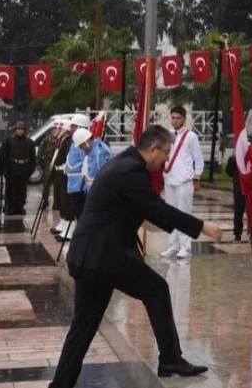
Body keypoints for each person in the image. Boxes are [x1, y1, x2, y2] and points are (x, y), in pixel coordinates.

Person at [47, 125, 224, 387]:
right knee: (157, 289)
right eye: (165, 152)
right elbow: (157, 209)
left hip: (89, 256)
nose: (166, 159)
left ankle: (60, 385)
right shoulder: (130, 170)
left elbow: (140, 209)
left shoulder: (126, 162)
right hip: (104, 256)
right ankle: (171, 360)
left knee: (83, 326)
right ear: (152, 149)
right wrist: (202, 227)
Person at [158, 106, 203, 259]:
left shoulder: (191, 136)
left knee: (184, 213)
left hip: (184, 179)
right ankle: (173, 245)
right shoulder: (167, 135)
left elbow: (198, 158)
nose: (175, 121)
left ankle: (186, 246)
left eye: (178, 118)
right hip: (170, 178)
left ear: (184, 119)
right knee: (171, 214)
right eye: (173, 118)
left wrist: (197, 176)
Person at [52, 115, 89, 237]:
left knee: (73, 205)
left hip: (77, 178)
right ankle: (68, 228)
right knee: (65, 201)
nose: (70, 128)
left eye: (73, 126)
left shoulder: (80, 142)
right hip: (70, 176)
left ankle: (72, 231)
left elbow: (83, 161)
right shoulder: (72, 140)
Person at [0, 121, 36, 215]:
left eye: (22, 129)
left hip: (24, 170)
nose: (20, 131)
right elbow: (2, 155)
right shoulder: (8, 141)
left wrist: (30, 170)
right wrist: (2, 168)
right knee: (11, 191)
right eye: (18, 129)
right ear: (15, 130)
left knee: (22, 191)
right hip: (12, 170)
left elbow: (33, 158)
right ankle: (10, 208)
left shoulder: (29, 142)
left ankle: (20, 208)